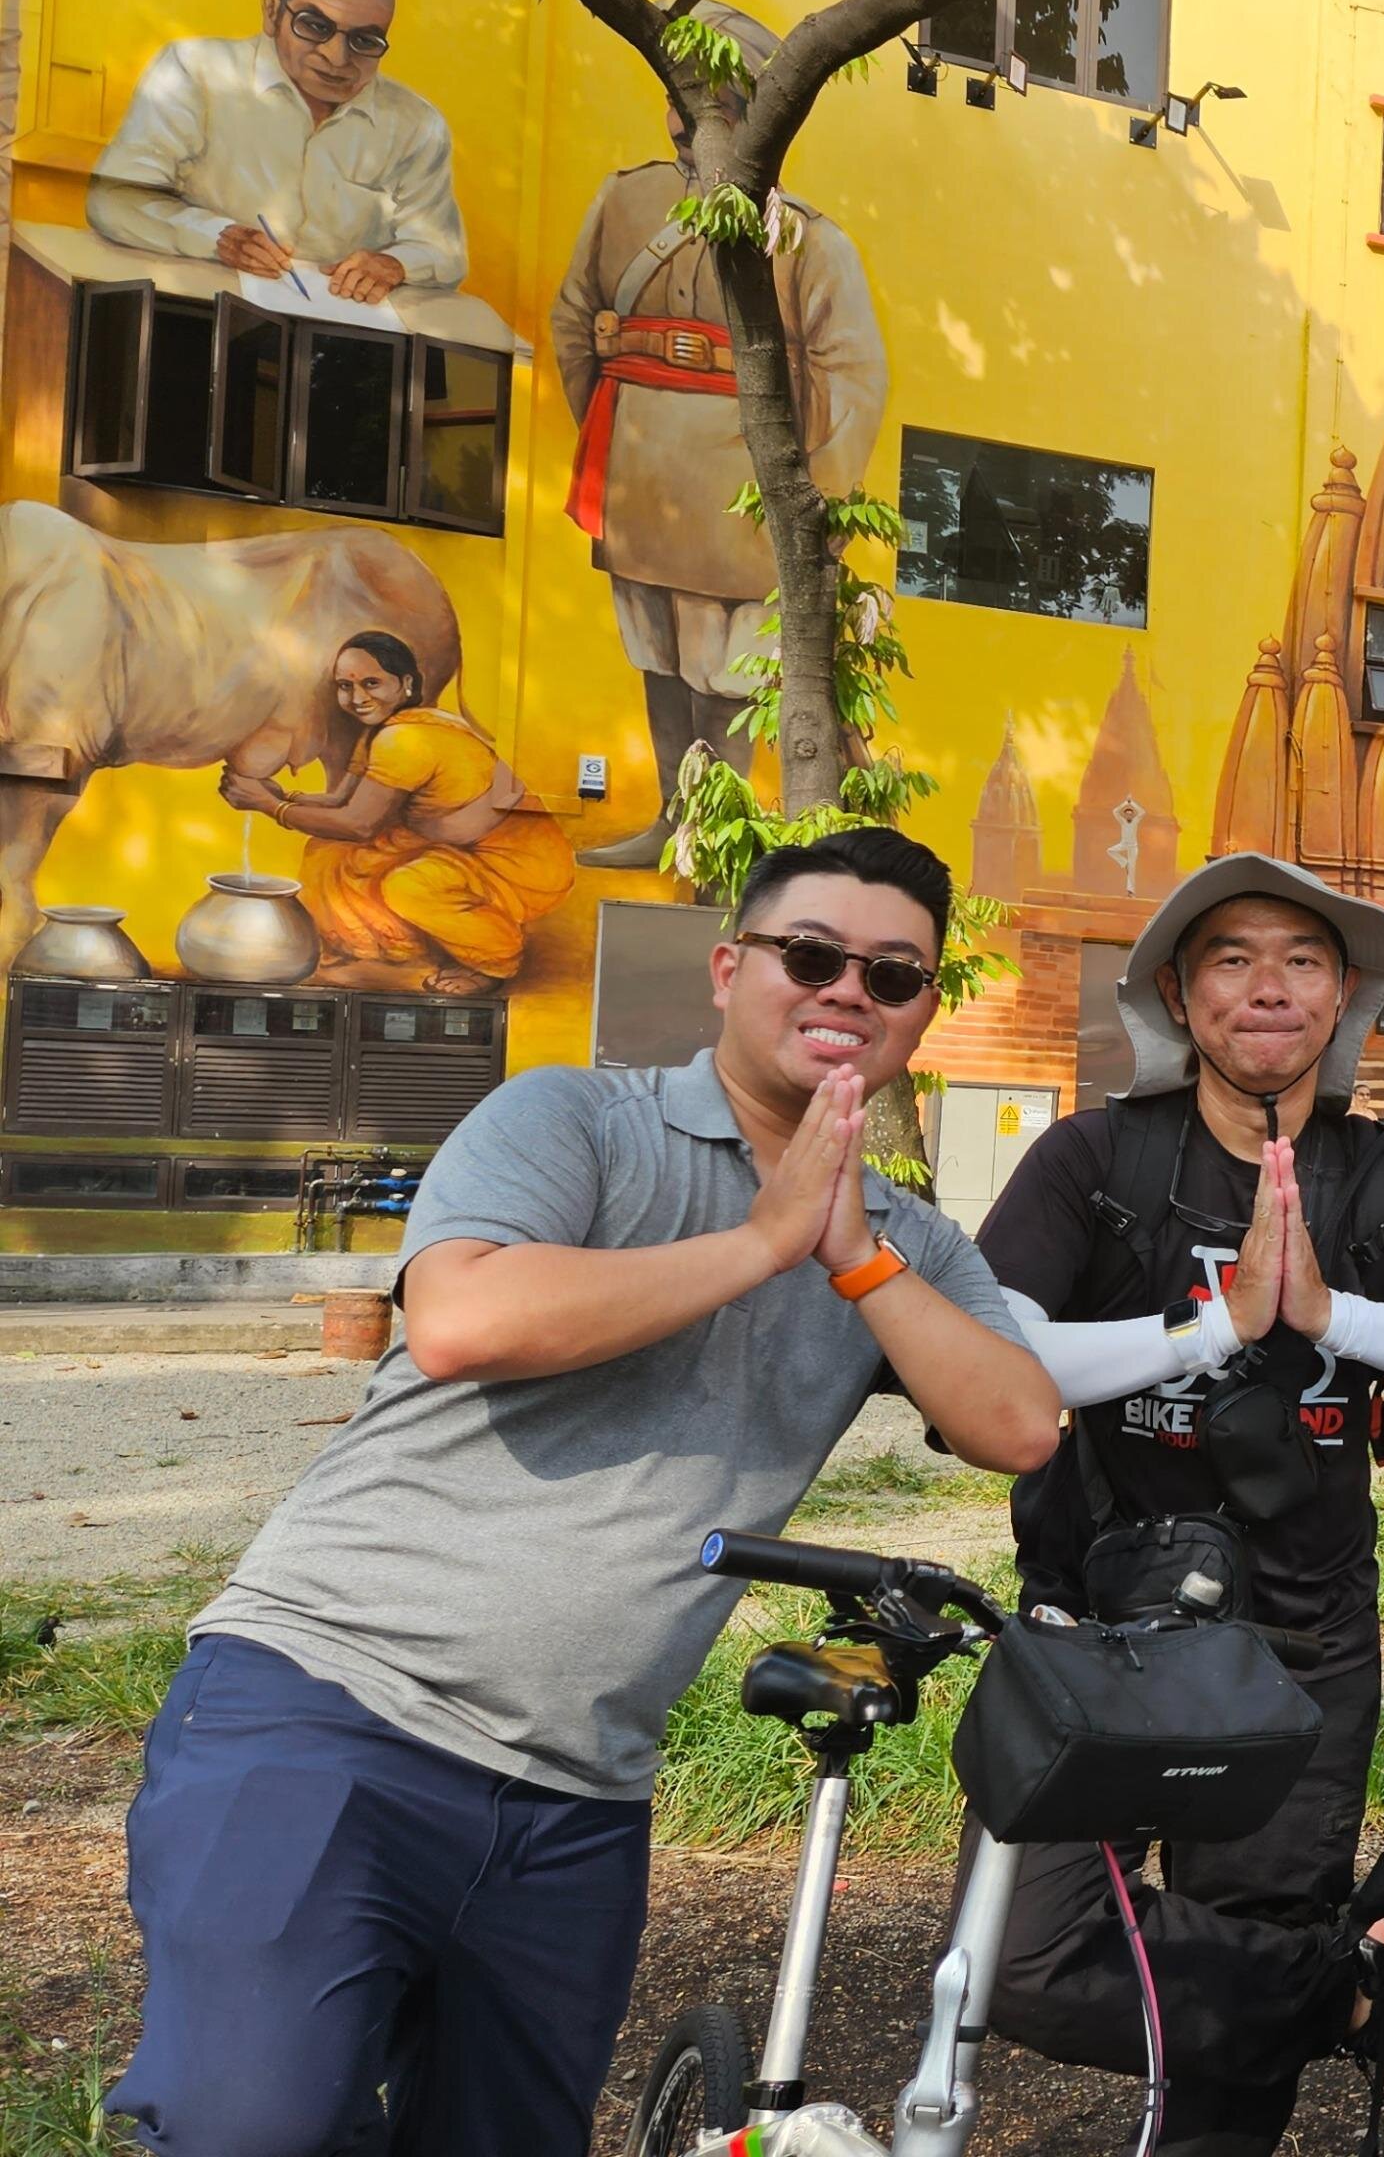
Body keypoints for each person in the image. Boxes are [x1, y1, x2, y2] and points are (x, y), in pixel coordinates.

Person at [102, 827, 1059, 2153]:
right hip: (331, 1713)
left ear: (921, 1012)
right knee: (253, 2125)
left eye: (891, 975)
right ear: (729, 969)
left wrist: (852, 1258)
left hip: (578, 1799)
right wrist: (760, 1241)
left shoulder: (907, 1242)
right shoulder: (574, 1120)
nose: (849, 989)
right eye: (811, 955)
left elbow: (1020, 1425)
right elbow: (462, 1319)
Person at [974, 853, 1384, 2157]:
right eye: (1232, 959)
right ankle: (1359, 1992)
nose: (1269, 988)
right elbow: (989, 1357)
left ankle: (1282, 2017)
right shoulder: (1096, 1160)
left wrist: (1326, 1313)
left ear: (1342, 995)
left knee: (1240, 2000)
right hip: (1099, 1631)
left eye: (1302, 961)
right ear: (1178, 996)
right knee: (1019, 1958)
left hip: (1302, 1638)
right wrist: (1215, 1326)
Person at [549, 0, 888, 870]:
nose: (696, 115)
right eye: (687, 95)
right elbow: (574, 320)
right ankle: (673, 822)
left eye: (721, 98)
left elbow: (851, 378)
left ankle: (715, 846)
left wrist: (814, 504)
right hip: (641, 486)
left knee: (728, 670)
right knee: (658, 653)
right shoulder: (624, 200)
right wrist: (616, 432)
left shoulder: (808, 239)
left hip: (742, 495)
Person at [222, 629, 576, 992]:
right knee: (327, 852)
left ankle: (495, 960)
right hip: (457, 846)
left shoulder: (405, 740)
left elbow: (357, 824)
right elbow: (343, 801)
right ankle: (395, 944)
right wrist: (284, 795)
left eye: (371, 683)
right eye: (345, 686)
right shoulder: (384, 731)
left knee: (407, 887)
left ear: (405, 683)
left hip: (521, 867)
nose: (357, 698)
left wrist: (268, 805)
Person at [89, 0, 465, 302]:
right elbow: (113, 200)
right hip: (198, 311)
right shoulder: (194, 71)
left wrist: (395, 264)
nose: (336, 57)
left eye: (365, 41)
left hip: (338, 333)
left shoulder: (416, 124)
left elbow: (444, 251)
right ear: (272, 12)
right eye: (314, 25)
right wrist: (216, 238)